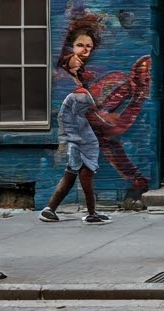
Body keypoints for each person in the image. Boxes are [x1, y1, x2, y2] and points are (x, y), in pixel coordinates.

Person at [38, 25, 115, 225]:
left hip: (77, 133)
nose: (84, 50)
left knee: (72, 173)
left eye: (89, 46)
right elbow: (79, 110)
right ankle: (91, 214)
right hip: (81, 134)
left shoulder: (77, 77)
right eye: (79, 45)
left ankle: (49, 209)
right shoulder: (67, 77)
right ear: (69, 47)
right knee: (85, 173)